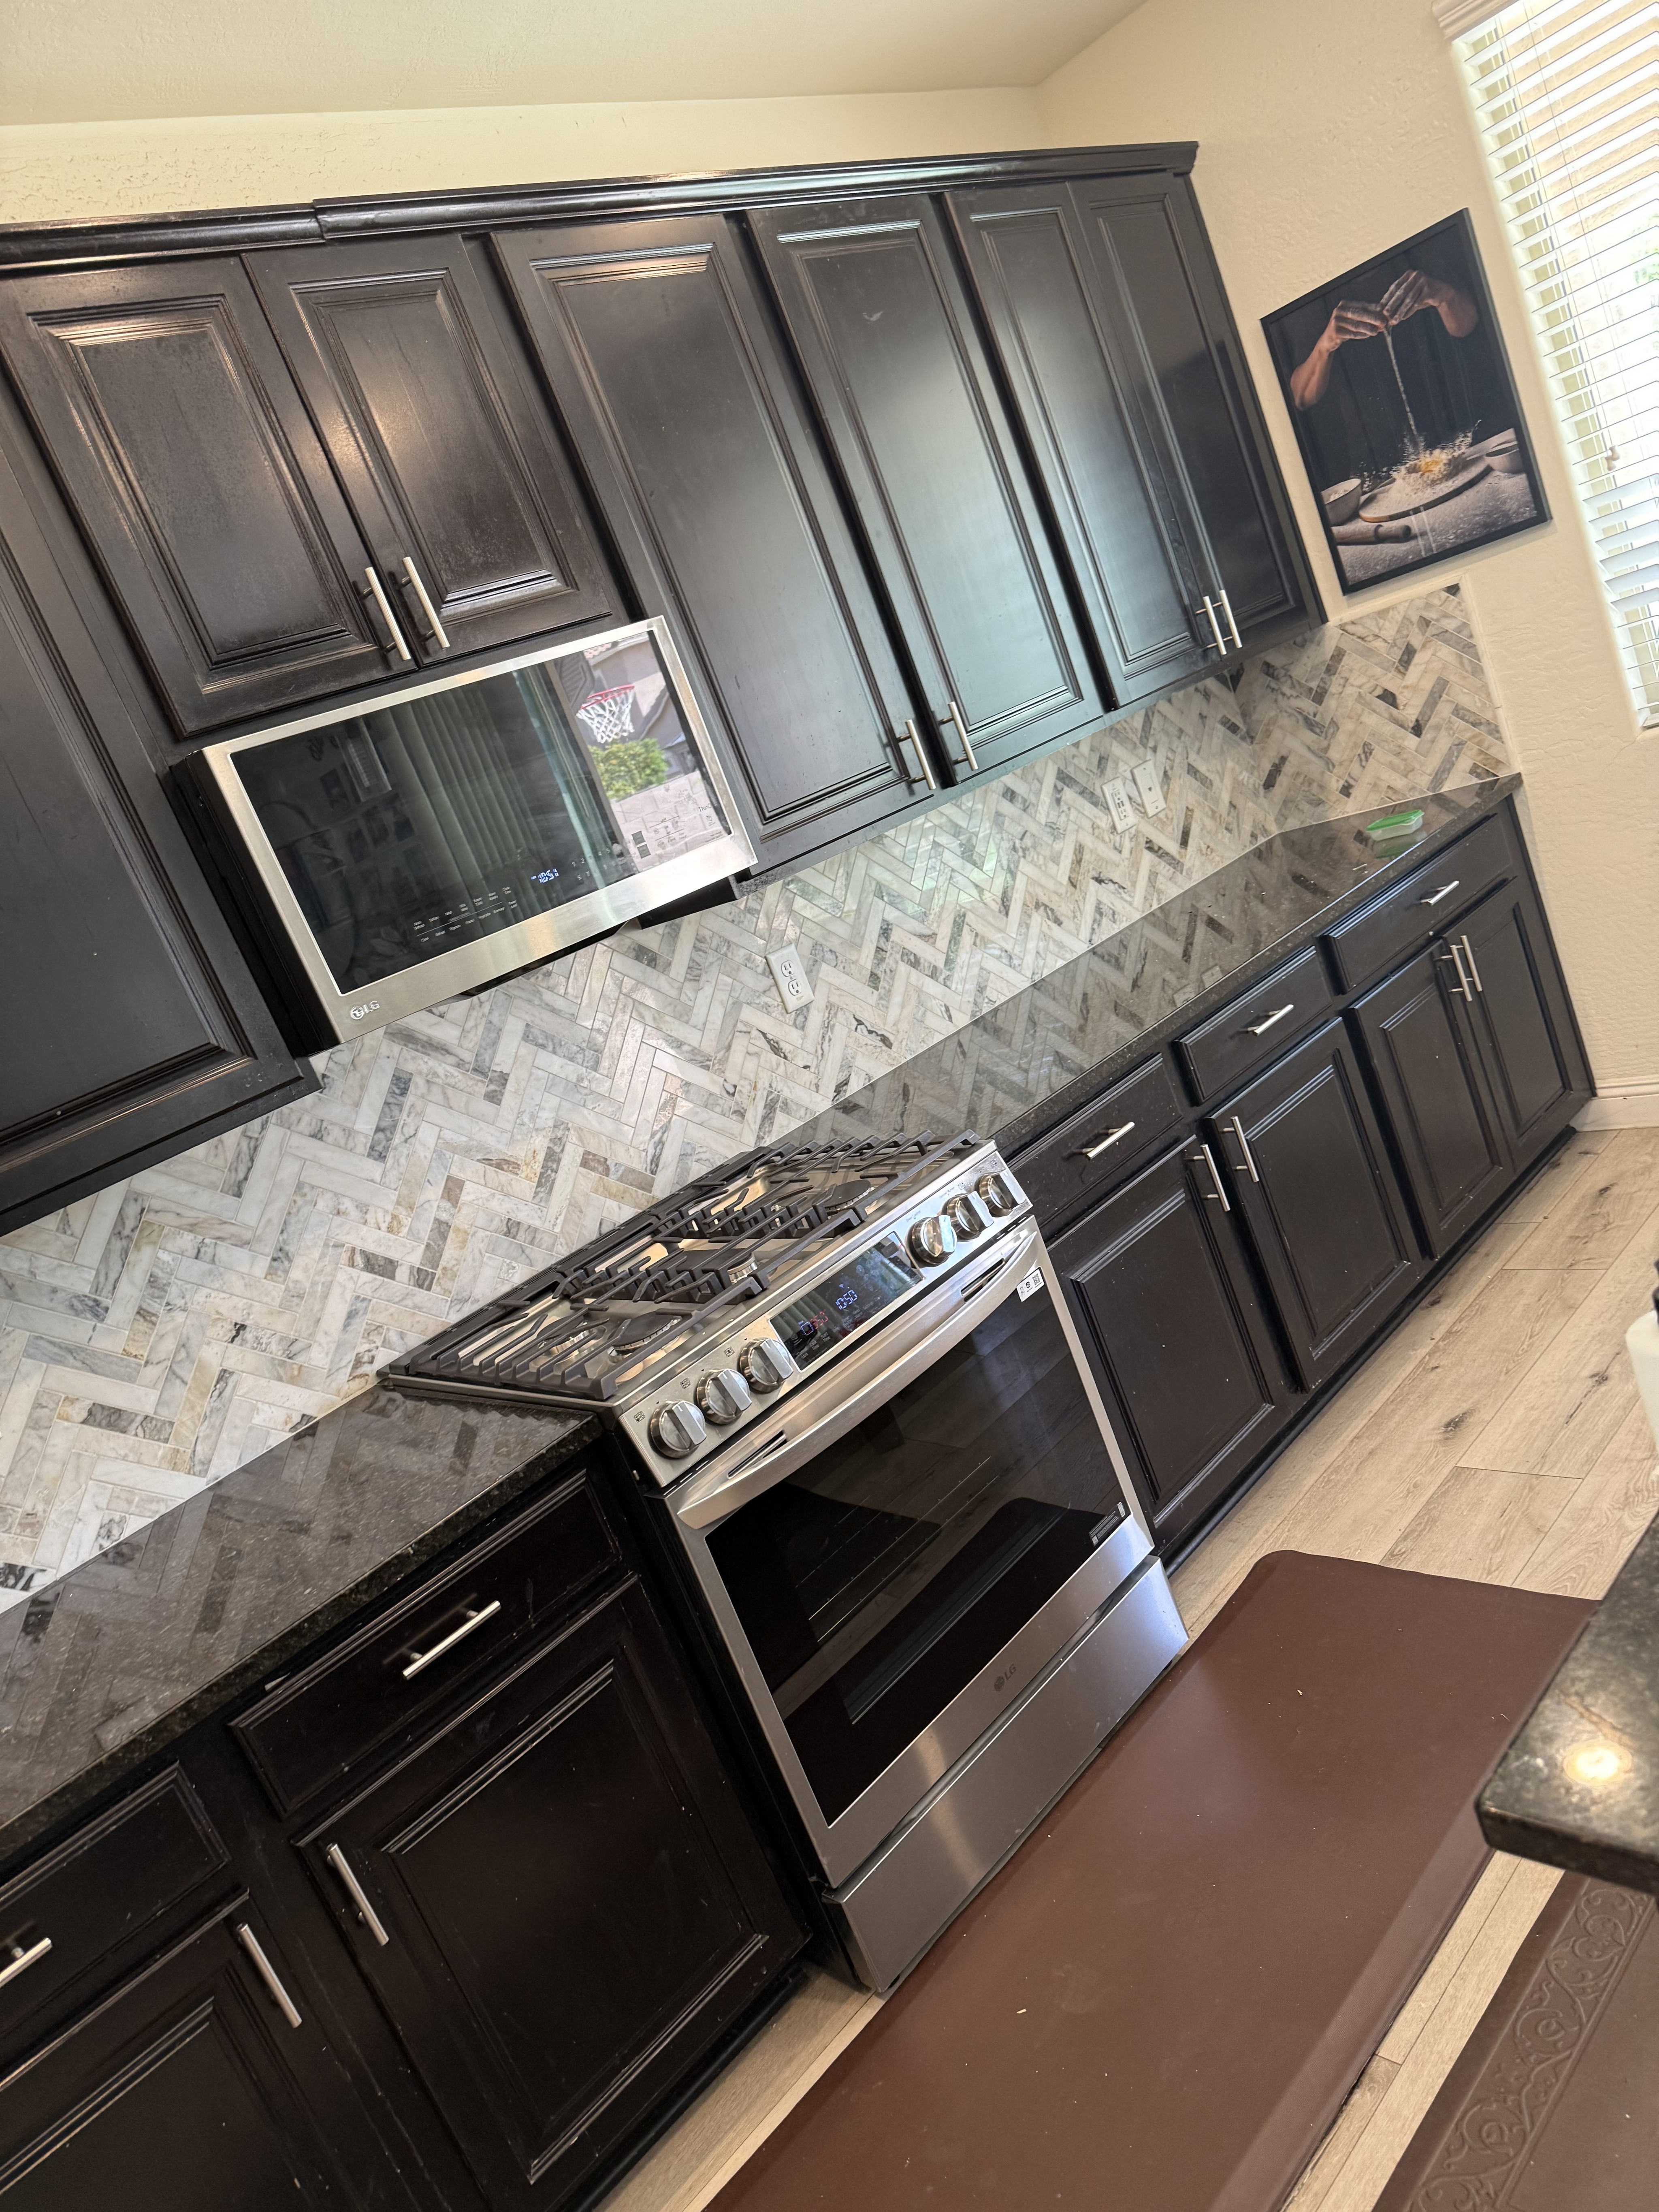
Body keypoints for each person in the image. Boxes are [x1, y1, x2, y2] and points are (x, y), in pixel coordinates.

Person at [1275, 248, 1512, 490]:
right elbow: (1302, 397)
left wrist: (1445, 295)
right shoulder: (1312, 286)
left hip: (1463, 443)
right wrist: (1325, 346)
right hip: (1379, 473)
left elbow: (1466, 327)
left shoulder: (1417, 252)